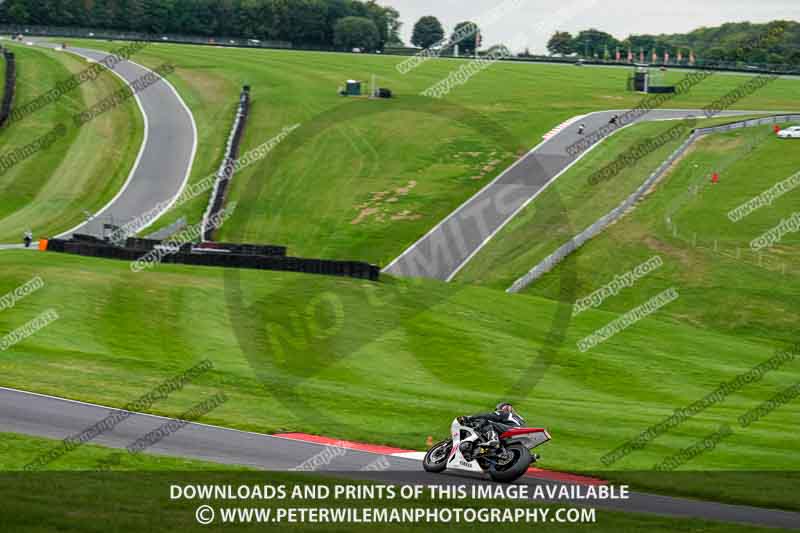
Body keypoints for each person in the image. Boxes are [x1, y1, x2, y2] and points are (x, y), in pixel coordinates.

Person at [459, 402, 525, 448]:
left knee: (488, 422)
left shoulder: (504, 413)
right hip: (520, 433)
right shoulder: (519, 418)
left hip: (512, 430)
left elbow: (488, 416)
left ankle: (493, 439)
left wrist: (470, 418)